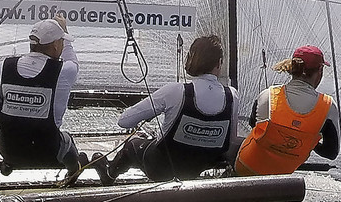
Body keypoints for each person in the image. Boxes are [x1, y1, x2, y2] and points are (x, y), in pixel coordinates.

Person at [95, 35, 239, 183]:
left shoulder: (174, 91)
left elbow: (124, 122)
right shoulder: (232, 96)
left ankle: (109, 175)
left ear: (192, 60)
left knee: (132, 144)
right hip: (199, 167)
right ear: (219, 63)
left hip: (160, 169)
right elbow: (231, 140)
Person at [0, 16, 82, 179]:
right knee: (67, 139)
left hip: (9, 151)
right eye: (61, 41)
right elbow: (72, 62)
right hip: (48, 153)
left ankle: (9, 163)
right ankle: (74, 171)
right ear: (56, 45)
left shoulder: (4, 66)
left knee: (14, 133)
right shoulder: (64, 71)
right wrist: (64, 30)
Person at [234, 45, 340, 177]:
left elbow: (253, 124)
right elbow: (331, 153)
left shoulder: (268, 95)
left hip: (245, 167)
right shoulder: (328, 106)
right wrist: (306, 141)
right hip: (279, 178)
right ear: (320, 70)